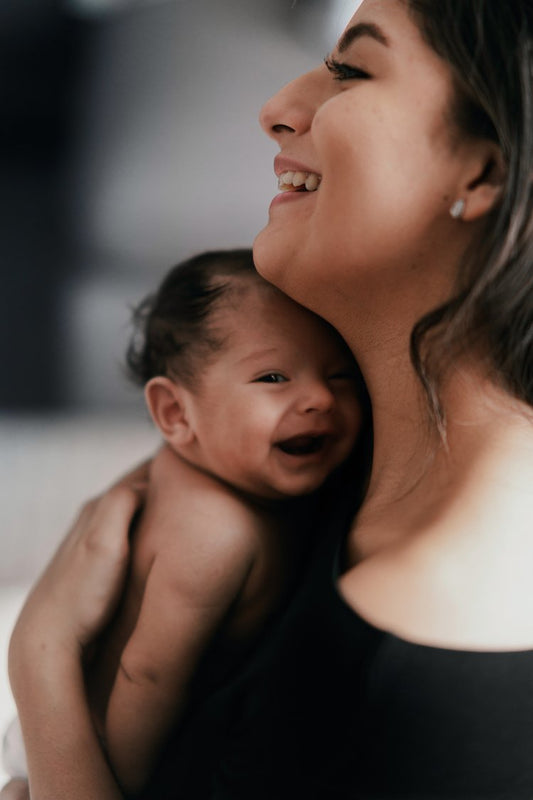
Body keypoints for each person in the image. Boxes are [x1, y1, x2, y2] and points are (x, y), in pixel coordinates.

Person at [3, 0, 533, 797]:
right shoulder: (332, 462)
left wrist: (41, 662)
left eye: (352, 70)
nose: (276, 109)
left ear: (484, 169)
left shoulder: (427, 655)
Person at [1, 249, 364, 796]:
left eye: (339, 375)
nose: (318, 398)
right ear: (175, 414)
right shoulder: (216, 531)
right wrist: (119, 785)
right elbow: (147, 674)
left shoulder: (210, 470)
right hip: (94, 733)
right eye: (273, 377)